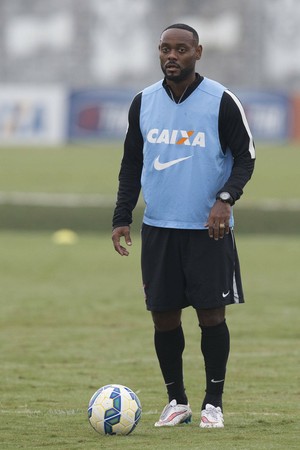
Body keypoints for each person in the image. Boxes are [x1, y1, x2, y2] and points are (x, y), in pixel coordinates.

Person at [112, 23, 255, 428]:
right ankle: (177, 401)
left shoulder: (222, 101)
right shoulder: (143, 102)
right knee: (163, 317)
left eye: (181, 49)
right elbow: (131, 164)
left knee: (212, 316)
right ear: (158, 52)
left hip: (208, 230)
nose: (172, 56)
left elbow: (246, 157)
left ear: (198, 52)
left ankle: (213, 404)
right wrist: (122, 216)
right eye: (165, 49)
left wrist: (225, 200)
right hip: (159, 228)